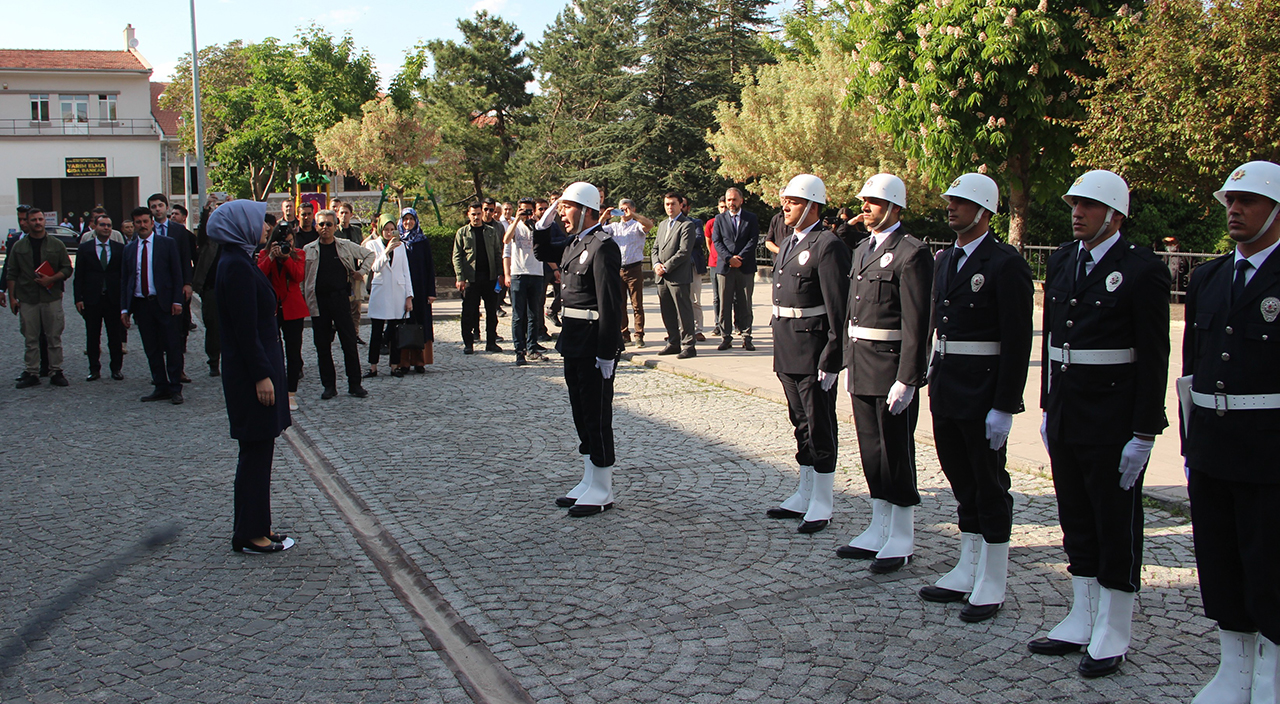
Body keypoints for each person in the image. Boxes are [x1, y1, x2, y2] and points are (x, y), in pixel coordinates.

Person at [1027, 169, 1171, 678]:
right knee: (1077, 519)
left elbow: (1154, 356)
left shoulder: (1142, 270)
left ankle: (1113, 626)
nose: (1076, 212)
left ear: (1114, 214)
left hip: (1112, 417)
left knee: (1115, 522)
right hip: (1068, 411)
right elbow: (1052, 344)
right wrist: (1046, 406)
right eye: (1074, 204)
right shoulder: (1064, 260)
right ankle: (1082, 613)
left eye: (1087, 205)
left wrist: (1144, 432)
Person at [1182, 160, 1280, 702]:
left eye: (1249, 202)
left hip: (1269, 445)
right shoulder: (1209, 277)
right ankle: (1233, 666)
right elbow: (1194, 364)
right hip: (1214, 443)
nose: (1236, 210)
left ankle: (1271, 673)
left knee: (1268, 559)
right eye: (1231, 201)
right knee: (1218, 556)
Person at [917, 173, 1034, 623]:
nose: (951, 207)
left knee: (989, 485)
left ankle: (994, 577)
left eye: (961, 202)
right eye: (950, 201)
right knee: (960, 480)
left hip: (983, 389)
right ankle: (968, 566)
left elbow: (1017, 339)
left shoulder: (1005, 263)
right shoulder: (945, 259)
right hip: (948, 383)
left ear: (984, 211)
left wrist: (1005, 404)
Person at [837, 172, 933, 574]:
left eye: (873, 202)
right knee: (871, 451)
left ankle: (902, 534)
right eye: (864, 201)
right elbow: (851, 312)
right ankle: (878, 526)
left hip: (891, 365)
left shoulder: (912, 253)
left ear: (894, 207)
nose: (865, 208)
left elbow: (918, 322)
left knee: (896, 452)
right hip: (862, 363)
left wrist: (908, 378)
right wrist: (845, 360)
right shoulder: (862, 249)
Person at [205, 199, 294, 554]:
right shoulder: (235, 266)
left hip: (257, 366)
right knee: (255, 453)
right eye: (259, 222)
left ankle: (258, 525)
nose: (265, 228)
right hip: (250, 372)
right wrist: (262, 375)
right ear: (240, 225)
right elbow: (244, 330)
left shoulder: (239, 259)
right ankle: (249, 532)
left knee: (259, 452)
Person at [764, 175, 851, 534]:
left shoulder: (827, 244)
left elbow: (838, 307)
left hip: (813, 347)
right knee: (799, 423)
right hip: (787, 343)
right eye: (785, 201)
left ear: (813, 205)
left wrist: (832, 357)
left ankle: (823, 499)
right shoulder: (787, 243)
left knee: (819, 423)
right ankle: (804, 490)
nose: (785, 207)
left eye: (794, 201)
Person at [533, 182, 624, 516]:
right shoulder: (575, 244)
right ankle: (589, 478)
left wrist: (606, 352)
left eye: (567, 209)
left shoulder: (603, 247)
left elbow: (611, 306)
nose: (562, 215)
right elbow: (543, 251)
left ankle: (602, 486)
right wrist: (544, 221)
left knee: (597, 415)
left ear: (586, 211)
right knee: (581, 414)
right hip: (572, 339)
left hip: (592, 342)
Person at [302, 209, 372, 399]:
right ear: (317, 227)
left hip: (341, 299)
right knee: (322, 346)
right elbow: (304, 277)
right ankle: (329, 386)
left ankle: (355, 384)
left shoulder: (345, 246)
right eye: (322, 224)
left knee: (349, 342)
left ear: (335, 226)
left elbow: (369, 255)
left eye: (329, 224)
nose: (325, 228)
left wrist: (361, 272)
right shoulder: (309, 250)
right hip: (319, 301)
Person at [121, 207, 186, 403]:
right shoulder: (130, 249)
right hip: (142, 304)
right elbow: (126, 279)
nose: (142, 225)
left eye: (145, 221)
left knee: (172, 346)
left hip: (164, 303)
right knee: (151, 348)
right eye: (138, 222)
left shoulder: (166, 244)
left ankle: (175, 387)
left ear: (151, 222)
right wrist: (125, 308)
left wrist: (177, 300)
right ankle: (160, 385)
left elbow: (177, 273)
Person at [8, 206, 72, 388]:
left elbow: (67, 268)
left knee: (54, 336)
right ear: (27, 222)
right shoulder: (19, 246)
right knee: (30, 338)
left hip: (51, 298)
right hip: (28, 298)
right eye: (33, 220)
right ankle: (32, 372)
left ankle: (56, 371)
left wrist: (52, 278)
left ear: (45, 221)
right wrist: (12, 298)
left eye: (40, 219)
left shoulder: (56, 245)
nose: (37, 223)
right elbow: (12, 273)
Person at [258, 223, 307, 411]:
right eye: (283, 243)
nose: (287, 245)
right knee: (272, 350)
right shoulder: (264, 255)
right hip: (271, 309)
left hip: (293, 308)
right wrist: (271, 257)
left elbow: (298, 276)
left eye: (290, 242)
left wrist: (286, 258)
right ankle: (274, 388)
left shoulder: (298, 255)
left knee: (294, 352)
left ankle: (290, 393)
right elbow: (259, 275)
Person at [74, 214, 127, 382]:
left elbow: (124, 275)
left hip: (113, 298)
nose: (106, 228)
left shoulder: (119, 248)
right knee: (92, 336)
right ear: (95, 227)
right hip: (92, 298)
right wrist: (78, 298)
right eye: (103, 225)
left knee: (115, 336)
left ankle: (116, 368)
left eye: (109, 225)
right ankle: (94, 369)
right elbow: (79, 276)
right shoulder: (85, 248)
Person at [712, 187, 761, 352]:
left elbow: (753, 239)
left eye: (734, 200)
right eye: (728, 200)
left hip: (745, 267)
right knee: (724, 303)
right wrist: (729, 258)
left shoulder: (751, 218)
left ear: (741, 200)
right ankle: (726, 337)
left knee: (745, 303)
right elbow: (717, 241)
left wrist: (740, 258)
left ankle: (747, 336)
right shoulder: (719, 219)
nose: (731, 203)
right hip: (725, 267)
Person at [364, 215, 413, 377]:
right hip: (380, 293)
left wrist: (409, 297)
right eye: (386, 230)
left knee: (394, 332)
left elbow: (406, 272)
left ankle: (394, 365)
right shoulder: (372, 245)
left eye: (392, 230)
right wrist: (386, 251)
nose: (389, 233)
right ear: (380, 229)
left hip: (397, 293)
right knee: (376, 332)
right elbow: (375, 267)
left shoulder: (401, 246)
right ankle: (373, 366)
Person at [600, 198, 653, 348]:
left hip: (634, 268)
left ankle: (639, 334)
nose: (623, 212)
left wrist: (634, 216)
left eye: (626, 208)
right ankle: (624, 334)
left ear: (633, 209)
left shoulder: (637, 226)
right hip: (618, 268)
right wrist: (604, 217)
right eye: (621, 209)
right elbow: (595, 232)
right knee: (620, 303)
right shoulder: (614, 227)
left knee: (637, 304)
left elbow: (649, 224)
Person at [453, 202, 504, 354]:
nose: (476, 217)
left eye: (478, 213)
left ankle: (491, 342)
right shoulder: (462, 233)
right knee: (469, 312)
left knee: (491, 312)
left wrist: (500, 274)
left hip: (489, 277)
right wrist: (460, 277)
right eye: (473, 214)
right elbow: (457, 256)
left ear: (482, 214)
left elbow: (497, 253)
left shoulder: (490, 232)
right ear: (468, 215)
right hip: (471, 279)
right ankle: (468, 343)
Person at [652, 193, 699, 359]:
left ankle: (689, 345)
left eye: (673, 204)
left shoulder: (686, 225)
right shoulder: (663, 224)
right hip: (662, 277)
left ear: (681, 205)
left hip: (678, 276)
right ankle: (673, 342)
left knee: (683, 311)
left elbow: (684, 251)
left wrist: (666, 267)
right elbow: (655, 248)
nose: (669, 207)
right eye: (666, 204)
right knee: (667, 311)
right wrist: (656, 264)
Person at [504, 199, 546, 365]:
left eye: (529, 211)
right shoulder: (514, 226)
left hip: (536, 273)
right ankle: (519, 350)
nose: (527, 214)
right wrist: (516, 220)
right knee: (518, 315)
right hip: (519, 274)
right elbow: (506, 240)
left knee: (534, 314)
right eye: (523, 211)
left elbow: (545, 241)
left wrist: (536, 223)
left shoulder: (537, 226)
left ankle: (532, 347)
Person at [399, 208, 438, 373]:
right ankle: (403, 361)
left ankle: (420, 361)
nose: (408, 222)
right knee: (403, 324)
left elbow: (429, 267)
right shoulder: (397, 242)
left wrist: (431, 291)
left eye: (411, 219)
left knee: (421, 323)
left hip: (420, 289)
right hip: (401, 289)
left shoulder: (423, 241)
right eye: (405, 219)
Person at [193, 205, 224, 377]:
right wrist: (205, 211)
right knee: (212, 326)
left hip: (230, 287)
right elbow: (202, 234)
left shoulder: (234, 238)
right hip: (211, 288)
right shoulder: (208, 240)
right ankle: (213, 361)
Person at [706, 198, 725, 337]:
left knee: (733, 296)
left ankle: (735, 323)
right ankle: (718, 324)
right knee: (716, 296)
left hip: (728, 262)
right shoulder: (711, 223)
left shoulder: (730, 222)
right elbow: (708, 241)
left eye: (725, 207)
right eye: (721, 207)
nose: (723, 209)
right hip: (714, 262)